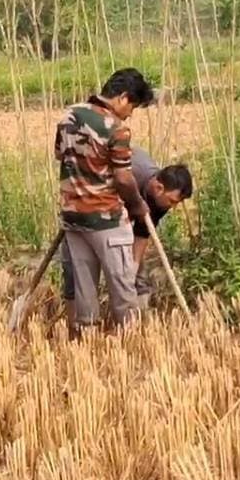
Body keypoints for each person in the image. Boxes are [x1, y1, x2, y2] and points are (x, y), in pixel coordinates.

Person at [53, 67, 157, 340]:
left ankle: (85, 339)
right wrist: (137, 205)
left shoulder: (68, 116)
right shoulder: (117, 129)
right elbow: (123, 178)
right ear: (123, 97)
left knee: (85, 286)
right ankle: (131, 339)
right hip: (106, 219)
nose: (130, 113)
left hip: (73, 219)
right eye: (132, 106)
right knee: (122, 284)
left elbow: (59, 156)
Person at [60, 149, 193, 312]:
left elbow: (143, 233)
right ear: (158, 187)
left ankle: (134, 324)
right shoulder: (129, 177)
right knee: (75, 270)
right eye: (172, 201)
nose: (172, 206)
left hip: (120, 222)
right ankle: (78, 323)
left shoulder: (162, 201)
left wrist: (133, 267)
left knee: (135, 277)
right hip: (87, 209)